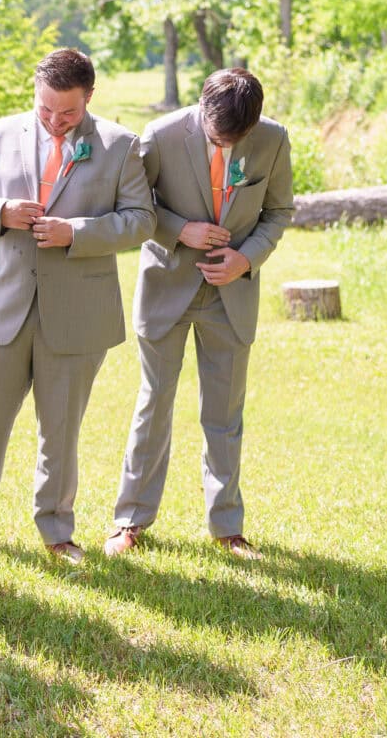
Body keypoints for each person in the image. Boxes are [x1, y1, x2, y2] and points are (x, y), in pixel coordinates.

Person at [0, 48, 153, 563]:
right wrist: (0, 212)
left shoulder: (120, 145)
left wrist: (78, 232)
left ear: (89, 97)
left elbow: (141, 221)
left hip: (76, 314)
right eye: (44, 109)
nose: (54, 121)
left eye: (66, 113)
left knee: (61, 431)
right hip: (3, 306)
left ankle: (56, 528)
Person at [105, 67, 293, 560]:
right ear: (201, 110)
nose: (226, 144)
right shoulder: (160, 136)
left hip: (232, 295)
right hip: (167, 287)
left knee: (225, 415)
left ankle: (227, 528)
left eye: (236, 138)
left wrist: (246, 258)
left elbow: (279, 211)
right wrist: (179, 230)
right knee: (154, 404)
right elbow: (136, 204)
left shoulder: (274, 139)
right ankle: (130, 521)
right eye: (217, 136)